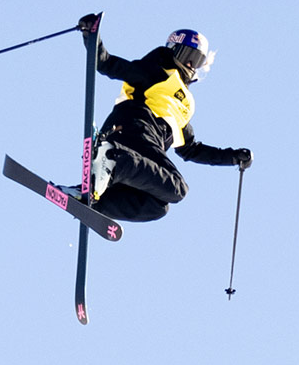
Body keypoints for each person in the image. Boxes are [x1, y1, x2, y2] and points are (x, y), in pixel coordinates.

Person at [77, 17, 251, 224]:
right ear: (173, 51)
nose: (189, 64)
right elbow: (107, 63)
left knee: (157, 206)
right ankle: (114, 161)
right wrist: (91, 36)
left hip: (142, 148)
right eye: (187, 56)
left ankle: (94, 199)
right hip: (134, 126)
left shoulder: (184, 105)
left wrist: (232, 157)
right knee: (177, 188)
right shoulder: (155, 71)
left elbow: (191, 149)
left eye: (196, 61)